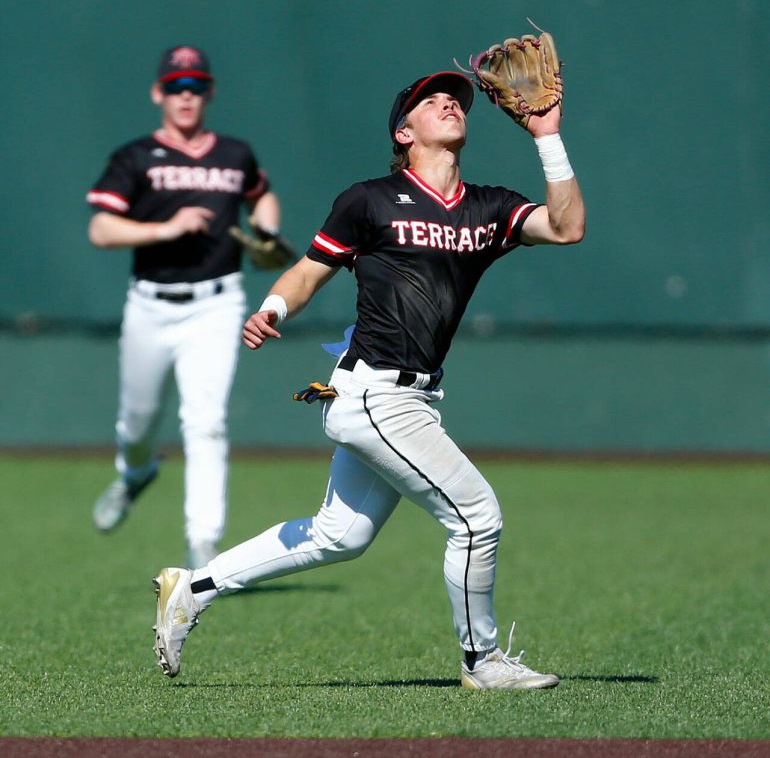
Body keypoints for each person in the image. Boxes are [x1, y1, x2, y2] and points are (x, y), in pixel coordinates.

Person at [152, 60, 585, 688]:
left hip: (414, 397)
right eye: (431, 99)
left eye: (456, 98)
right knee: (476, 517)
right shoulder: (369, 201)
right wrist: (272, 307)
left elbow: (568, 227)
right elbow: (307, 271)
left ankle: (191, 587)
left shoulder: (490, 208)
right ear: (403, 133)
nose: (449, 102)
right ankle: (481, 661)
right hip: (374, 393)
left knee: (340, 536)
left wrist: (547, 136)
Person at [87, 45, 287, 568]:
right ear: (159, 93)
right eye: (176, 87)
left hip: (217, 303)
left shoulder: (234, 154)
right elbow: (101, 228)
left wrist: (266, 225)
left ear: (209, 94)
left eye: (195, 87)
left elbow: (260, 196)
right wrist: (166, 228)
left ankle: (203, 545)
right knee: (137, 421)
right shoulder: (135, 157)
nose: (185, 97)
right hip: (151, 304)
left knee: (206, 421)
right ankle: (135, 472)